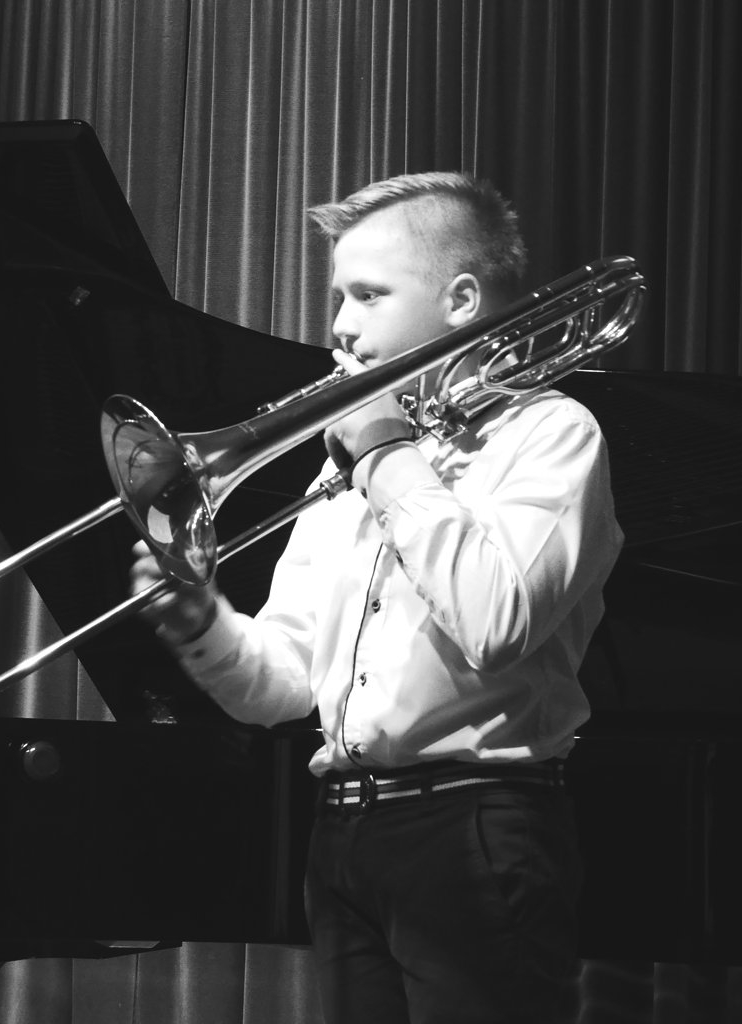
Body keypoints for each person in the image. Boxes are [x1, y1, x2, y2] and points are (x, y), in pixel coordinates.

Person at [130, 172, 622, 1023]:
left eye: (367, 295)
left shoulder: (549, 434)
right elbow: (283, 687)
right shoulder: (347, 468)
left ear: (460, 300)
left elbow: (496, 621)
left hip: (476, 825)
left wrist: (388, 456)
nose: (340, 326)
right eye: (338, 297)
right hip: (343, 833)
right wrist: (203, 625)